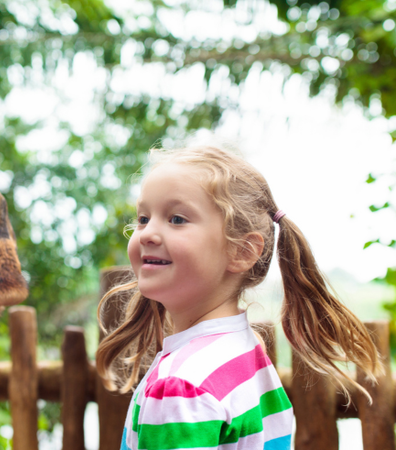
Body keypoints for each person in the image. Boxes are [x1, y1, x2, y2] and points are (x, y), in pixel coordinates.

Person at [95, 145, 383, 450]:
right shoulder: (246, 354)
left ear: (242, 252)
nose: (146, 234)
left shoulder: (180, 387)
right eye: (142, 218)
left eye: (176, 219)